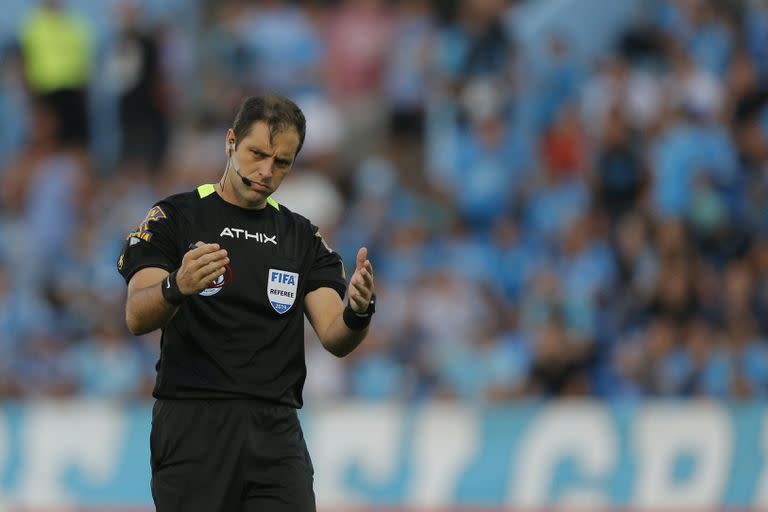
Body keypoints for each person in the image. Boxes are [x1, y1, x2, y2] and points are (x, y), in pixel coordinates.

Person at [116, 95, 376, 512]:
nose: (266, 172)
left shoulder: (303, 239)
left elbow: (334, 334)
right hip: (194, 426)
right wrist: (176, 285)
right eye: (257, 154)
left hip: (275, 433)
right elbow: (135, 315)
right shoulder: (175, 217)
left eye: (282, 163)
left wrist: (358, 311)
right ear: (231, 142)